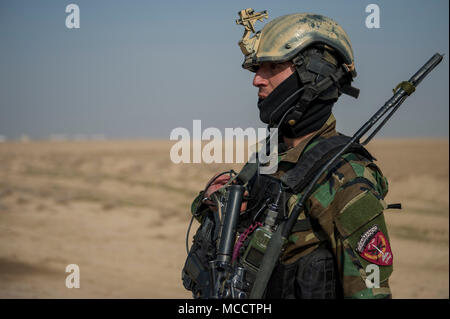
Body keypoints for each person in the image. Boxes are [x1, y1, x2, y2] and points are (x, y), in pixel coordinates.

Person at [183, 11, 394, 299]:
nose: (257, 80)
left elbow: (371, 293)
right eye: (258, 68)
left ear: (314, 76)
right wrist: (215, 202)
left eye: (272, 67)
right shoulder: (271, 154)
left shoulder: (346, 178)